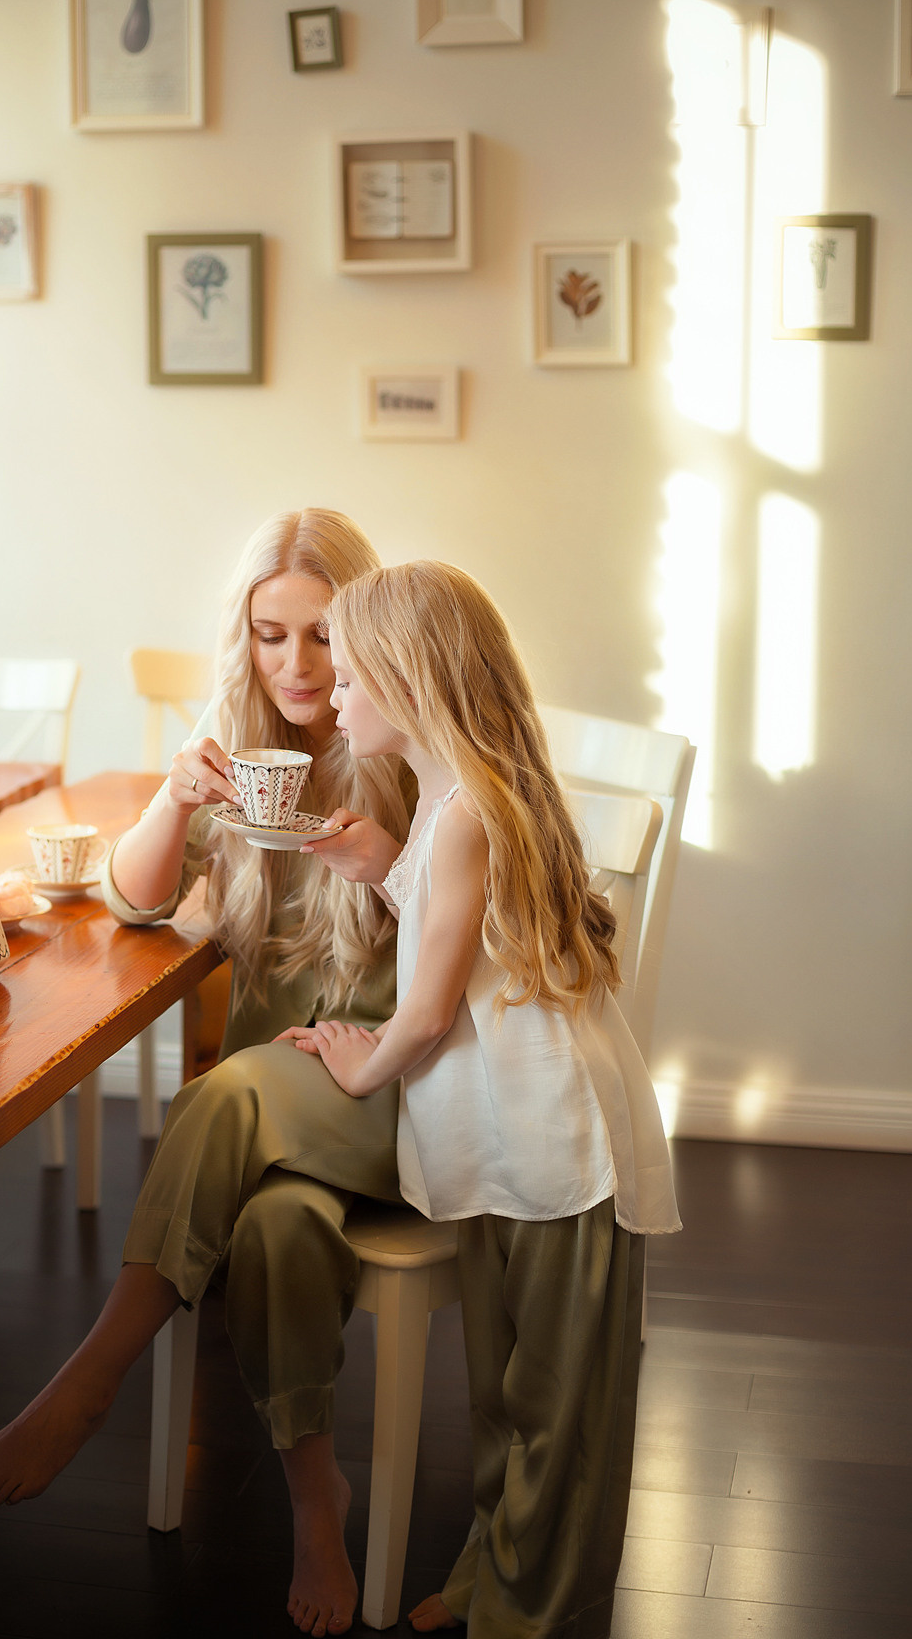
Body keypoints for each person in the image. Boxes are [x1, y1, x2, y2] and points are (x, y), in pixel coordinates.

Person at [0, 509, 415, 1638]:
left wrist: (385, 862)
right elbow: (134, 898)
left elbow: (489, 928)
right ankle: (319, 1502)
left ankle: (94, 1374)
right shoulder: (245, 742)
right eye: (272, 636)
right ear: (245, 639)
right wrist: (174, 795)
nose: (298, 667)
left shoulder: (405, 737)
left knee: (227, 1088)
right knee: (273, 1230)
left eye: (322, 637)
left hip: (395, 1096)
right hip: (275, 1127)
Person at [283, 560, 681, 1637]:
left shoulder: (464, 815)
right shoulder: (459, 803)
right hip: (516, 1143)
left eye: (354, 677)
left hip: (559, 1151)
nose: (337, 696)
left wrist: (354, 1060)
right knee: (510, 1396)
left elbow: (422, 1014)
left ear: (411, 686)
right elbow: (457, 914)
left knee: (558, 1412)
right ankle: (494, 1572)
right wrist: (380, 860)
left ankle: (533, 1608)